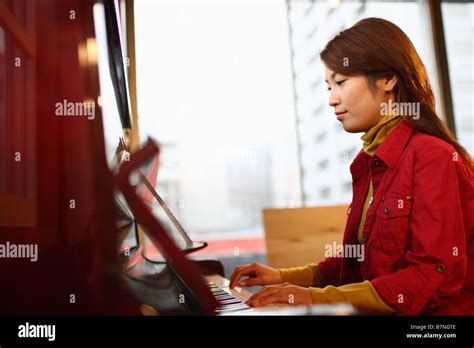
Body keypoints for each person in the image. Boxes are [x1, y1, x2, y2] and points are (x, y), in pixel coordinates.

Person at [229, 17, 473, 315]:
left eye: (341, 83)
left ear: (387, 79)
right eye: (328, 86)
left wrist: (310, 299)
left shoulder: (433, 157)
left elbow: (430, 277)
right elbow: (355, 264)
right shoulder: (368, 161)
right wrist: (283, 277)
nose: (332, 99)